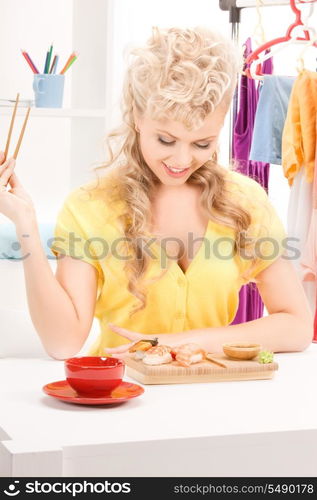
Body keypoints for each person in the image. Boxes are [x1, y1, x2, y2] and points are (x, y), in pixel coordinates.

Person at [0, 27, 313, 360]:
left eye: (202, 144)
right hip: (119, 395)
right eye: (165, 140)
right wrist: (26, 225)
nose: (181, 160)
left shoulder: (245, 201)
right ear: (137, 117)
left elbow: (296, 326)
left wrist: (177, 343)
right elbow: (63, 344)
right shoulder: (89, 207)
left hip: (212, 393)